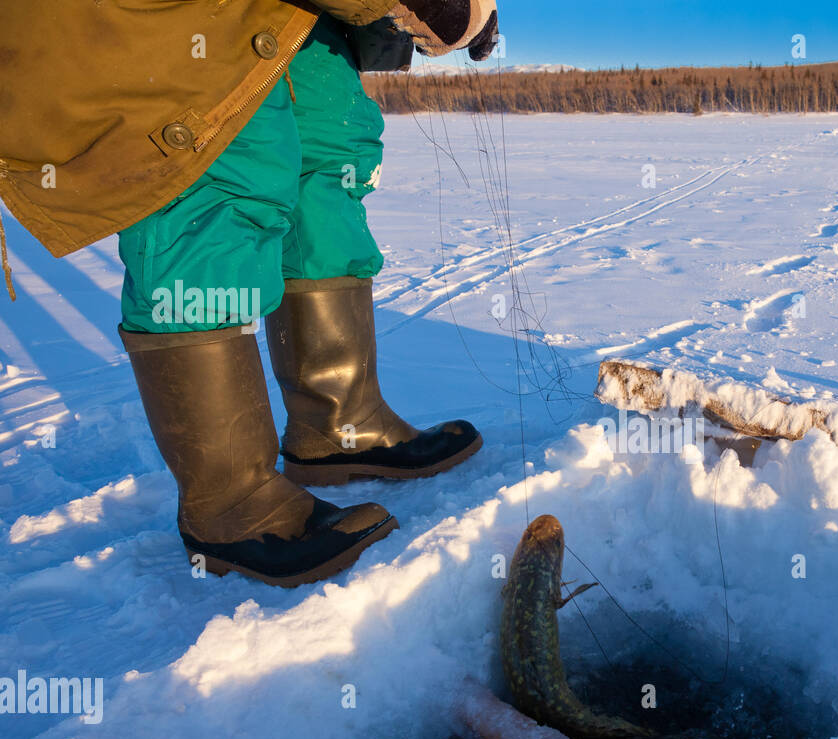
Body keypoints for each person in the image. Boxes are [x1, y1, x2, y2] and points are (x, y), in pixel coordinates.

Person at [0, 2, 499, 587]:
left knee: (329, 156)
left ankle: (339, 424)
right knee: (222, 168)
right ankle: (232, 499)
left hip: (310, 15)